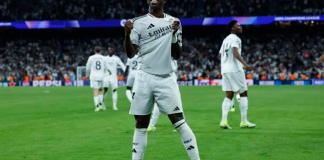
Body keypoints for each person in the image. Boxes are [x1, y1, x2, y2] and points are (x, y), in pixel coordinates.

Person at [124, 0, 200, 159]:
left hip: (166, 78)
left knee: (178, 120)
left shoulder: (174, 22)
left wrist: (173, 34)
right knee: (140, 124)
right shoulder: (138, 23)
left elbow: (177, 54)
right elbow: (130, 53)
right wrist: (126, 33)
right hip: (144, 77)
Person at [219, 20, 256, 129]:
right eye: (238, 26)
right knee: (243, 93)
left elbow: (221, 54)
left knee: (229, 95)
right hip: (235, 69)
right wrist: (245, 64)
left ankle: (224, 121)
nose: (240, 27)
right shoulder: (235, 38)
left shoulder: (225, 39)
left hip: (225, 69)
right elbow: (235, 52)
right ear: (232, 28)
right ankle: (244, 121)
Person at [86, 46, 106, 112]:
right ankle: (101, 105)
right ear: (100, 51)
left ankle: (97, 107)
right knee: (101, 90)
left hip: (94, 76)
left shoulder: (91, 58)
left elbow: (88, 67)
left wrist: (87, 74)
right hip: (102, 76)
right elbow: (106, 67)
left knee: (95, 91)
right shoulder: (104, 58)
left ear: (94, 51)